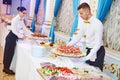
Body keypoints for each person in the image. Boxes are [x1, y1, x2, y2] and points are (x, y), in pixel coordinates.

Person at [68, 3, 105, 71]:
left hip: (98, 51)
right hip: (89, 50)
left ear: (87, 12)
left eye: (81, 13)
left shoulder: (98, 23)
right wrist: (66, 46)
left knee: (96, 74)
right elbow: (77, 37)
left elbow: (97, 44)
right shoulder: (83, 23)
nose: (80, 16)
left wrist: (87, 57)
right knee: (87, 72)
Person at [3, 6, 33, 74]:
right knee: (8, 53)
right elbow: (13, 30)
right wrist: (21, 36)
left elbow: (24, 29)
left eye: (25, 13)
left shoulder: (21, 19)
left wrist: (32, 34)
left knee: (10, 53)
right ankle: (6, 68)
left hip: (14, 38)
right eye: (23, 13)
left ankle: (6, 68)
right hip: (11, 37)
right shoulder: (15, 19)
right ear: (19, 12)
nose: (24, 14)